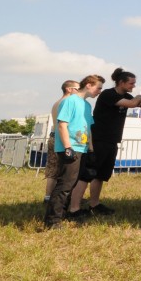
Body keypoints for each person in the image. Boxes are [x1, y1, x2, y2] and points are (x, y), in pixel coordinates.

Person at [70, 67, 141, 217]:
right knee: (88, 174)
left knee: (101, 175)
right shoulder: (108, 95)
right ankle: (74, 208)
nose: (133, 86)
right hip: (99, 139)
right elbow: (133, 104)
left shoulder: (126, 95)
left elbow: (139, 102)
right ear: (121, 82)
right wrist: (140, 97)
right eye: (131, 83)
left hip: (112, 141)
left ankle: (94, 204)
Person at [45, 75, 104, 229]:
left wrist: (90, 149)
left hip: (82, 148)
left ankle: (62, 214)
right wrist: (67, 147)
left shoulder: (86, 105)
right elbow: (62, 125)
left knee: (72, 183)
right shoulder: (70, 101)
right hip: (70, 148)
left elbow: (88, 129)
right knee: (65, 184)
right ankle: (52, 221)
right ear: (89, 85)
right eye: (98, 87)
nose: (99, 91)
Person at [43, 80, 80, 203]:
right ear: (69, 89)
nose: (79, 92)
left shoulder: (57, 103)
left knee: (53, 170)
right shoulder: (66, 103)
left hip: (54, 137)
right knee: (64, 171)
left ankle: (48, 197)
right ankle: (60, 199)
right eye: (77, 89)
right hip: (62, 140)